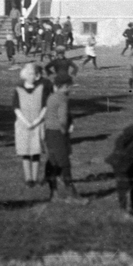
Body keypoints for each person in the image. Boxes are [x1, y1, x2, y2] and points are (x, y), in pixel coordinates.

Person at [44, 74, 87, 204]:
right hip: (58, 133)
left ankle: (54, 194)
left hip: (49, 132)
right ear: (65, 86)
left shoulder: (51, 97)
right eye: (69, 86)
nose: (70, 88)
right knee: (64, 163)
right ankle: (72, 194)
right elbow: (62, 119)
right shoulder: (63, 98)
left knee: (53, 162)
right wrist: (65, 131)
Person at [13, 63, 50, 187]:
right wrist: (26, 122)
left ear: (37, 76)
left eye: (33, 74)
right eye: (29, 73)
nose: (31, 76)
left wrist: (37, 121)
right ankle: (28, 178)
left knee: (36, 151)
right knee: (25, 153)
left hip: (37, 123)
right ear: (24, 75)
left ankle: (34, 178)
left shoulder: (41, 88)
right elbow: (16, 107)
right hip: (23, 124)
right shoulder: (18, 89)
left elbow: (45, 106)